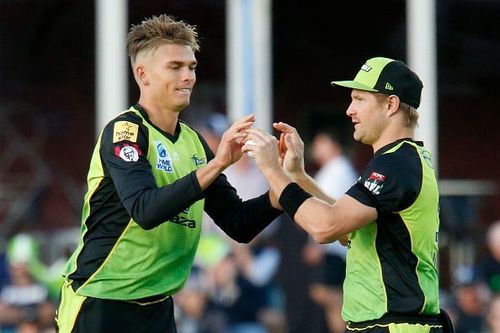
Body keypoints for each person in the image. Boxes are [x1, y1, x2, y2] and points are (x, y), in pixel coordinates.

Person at [56, 14, 282, 333]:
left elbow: (238, 223)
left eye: (191, 67)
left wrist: (286, 185)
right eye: (175, 67)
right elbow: (146, 211)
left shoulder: (192, 142)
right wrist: (217, 164)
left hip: (159, 306)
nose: (188, 76)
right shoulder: (126, 131)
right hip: (102, 301)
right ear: (143, 74)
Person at [244, 57, 451, 332]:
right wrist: (297, 176)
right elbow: (345, 227)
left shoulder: (396, 164)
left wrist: (272, 170)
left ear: (391, 105)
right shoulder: (399, 160)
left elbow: (325, 227)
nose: (349, 110)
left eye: (359, 99)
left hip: (394, 325)